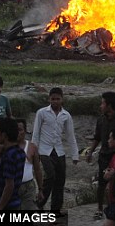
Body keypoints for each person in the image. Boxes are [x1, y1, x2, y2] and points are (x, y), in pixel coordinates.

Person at [32, 86, 80, 216]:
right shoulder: (42, 113)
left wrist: (75, 154)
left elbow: (70, 136)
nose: (55, 101)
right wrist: (33, 151)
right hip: (44, 150)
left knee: (60, 180)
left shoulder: (66, 115)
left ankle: (55, 209)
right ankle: (39, 203)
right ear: (49, 99)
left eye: (58, 99)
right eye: (53, 99)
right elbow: (36, 133)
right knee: (50, 175)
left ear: (62, 99)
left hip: (59, 150)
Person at [91, 91, 115, 219]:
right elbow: (97, 137)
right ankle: (99, 208)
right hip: (103, 155)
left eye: (102, 103)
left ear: (109, 105)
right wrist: (90, 151)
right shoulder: (101, 120)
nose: (100, 106)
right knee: (102, 182)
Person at [0, 118, 26, 212]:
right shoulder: (20, 152)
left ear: (4, 135)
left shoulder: (9, 156)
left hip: (7, 206)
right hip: (15, 201)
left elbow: (9, 185)